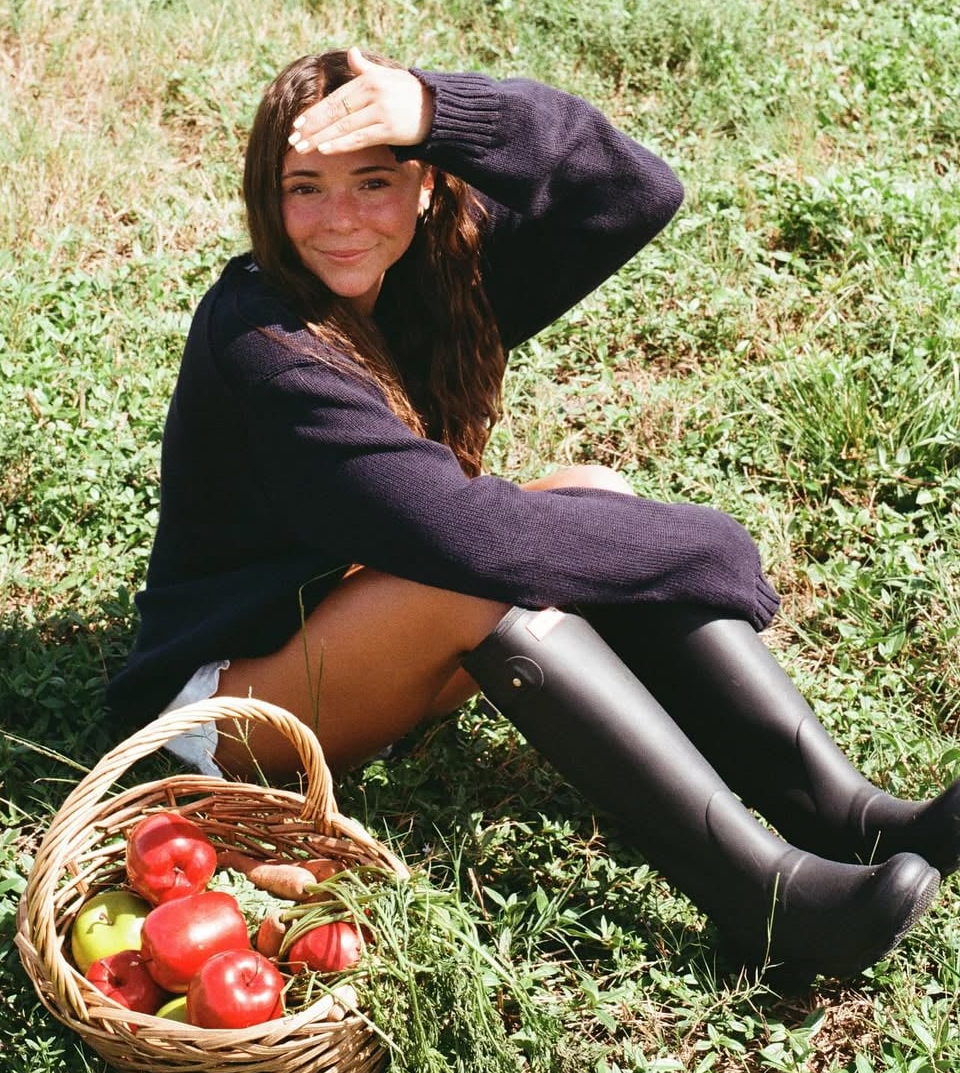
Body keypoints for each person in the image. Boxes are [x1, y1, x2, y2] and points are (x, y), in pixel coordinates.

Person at [109, 48, 958, 983]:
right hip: (223, 711)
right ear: (267, 203)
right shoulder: (264, 339)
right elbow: (469, 537)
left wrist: (442, 109)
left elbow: (632, 189)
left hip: (351, 625)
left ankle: (847, 813)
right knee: (480, 576)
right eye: (303, 188)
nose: (340, 218)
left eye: (374, 180)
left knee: (593, 493)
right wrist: (704, 546)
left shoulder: (430, 277)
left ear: (427, 185)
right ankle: (767, 901)